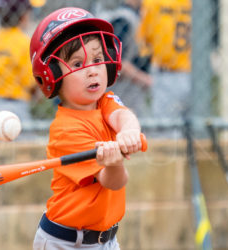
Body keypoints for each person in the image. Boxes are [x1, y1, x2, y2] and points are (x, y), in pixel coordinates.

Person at [29, 7, 144, 249]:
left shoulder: (105, 101)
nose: (92, 69)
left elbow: (124, 117)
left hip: (107, 240)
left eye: (98, 59)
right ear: (53, 75)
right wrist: (114, 162)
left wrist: (128, 132)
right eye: (77, 63)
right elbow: (113, 181)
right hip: (66, 242)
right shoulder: (65, 130)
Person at [97, 0, 153, 118]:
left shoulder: (138, 16)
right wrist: (146, 80)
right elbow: (115, 61)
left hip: (129, 93)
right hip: (119, 91)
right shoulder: (124, 19)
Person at [138, 0, 192, 120]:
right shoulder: (192, 3)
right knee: (193, 128)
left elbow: (144, 41)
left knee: (164, 130)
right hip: (194, 74)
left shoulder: (153, 3)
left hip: (166, 73)